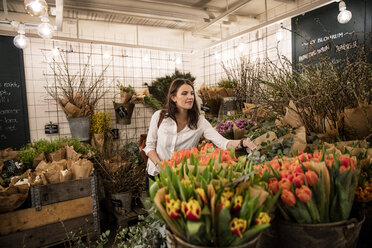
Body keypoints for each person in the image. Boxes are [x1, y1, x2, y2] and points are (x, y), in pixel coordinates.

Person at [143, 78, 256, 183]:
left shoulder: (199, 122)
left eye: (192, 93)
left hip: (181, 177)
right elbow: (150, 147)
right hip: (156, 175)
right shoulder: (159, 117)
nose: (190, 97)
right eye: (184, 93)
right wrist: (161, 166)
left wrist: (243, 142)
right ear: (173, 97)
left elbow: (223, 143)